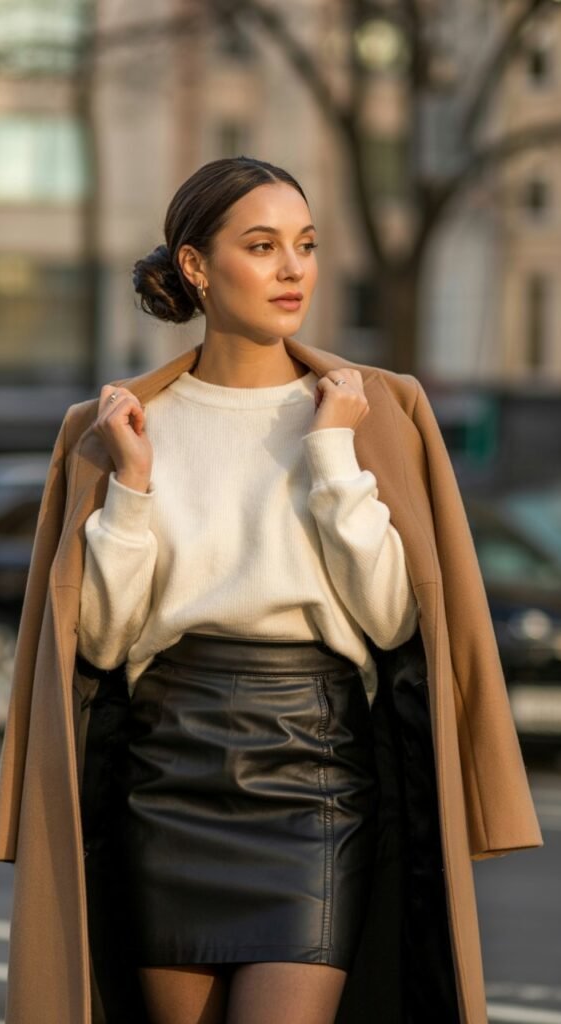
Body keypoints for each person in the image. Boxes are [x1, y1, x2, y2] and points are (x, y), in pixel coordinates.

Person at [75, 155, 420, 1024]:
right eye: (262, 246)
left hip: (317, 773)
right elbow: (103, 643)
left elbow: (392, 618)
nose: (293, 268)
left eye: (304, 244)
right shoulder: (130, 423)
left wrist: (332, 454)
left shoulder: (364, 408)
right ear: (196, 265)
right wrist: (133, 485)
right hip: (169, 769)